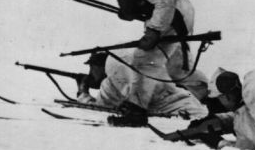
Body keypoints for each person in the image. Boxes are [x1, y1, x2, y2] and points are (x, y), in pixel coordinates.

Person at [95, 0, 211, 127]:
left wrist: (154, 31)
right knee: (171, 64)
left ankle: (135, 112)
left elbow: (164, 0)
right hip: (179, 15)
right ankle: (204, 97)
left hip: (174, 17)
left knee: (145, 60)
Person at [78, 51, 207, 119]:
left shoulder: (111, 81)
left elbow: (99, 109)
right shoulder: (142, 67)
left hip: (177, 116)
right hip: (191, 106)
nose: (91, 73)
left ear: (99, 66)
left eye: (92, 67)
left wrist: (83, 92)